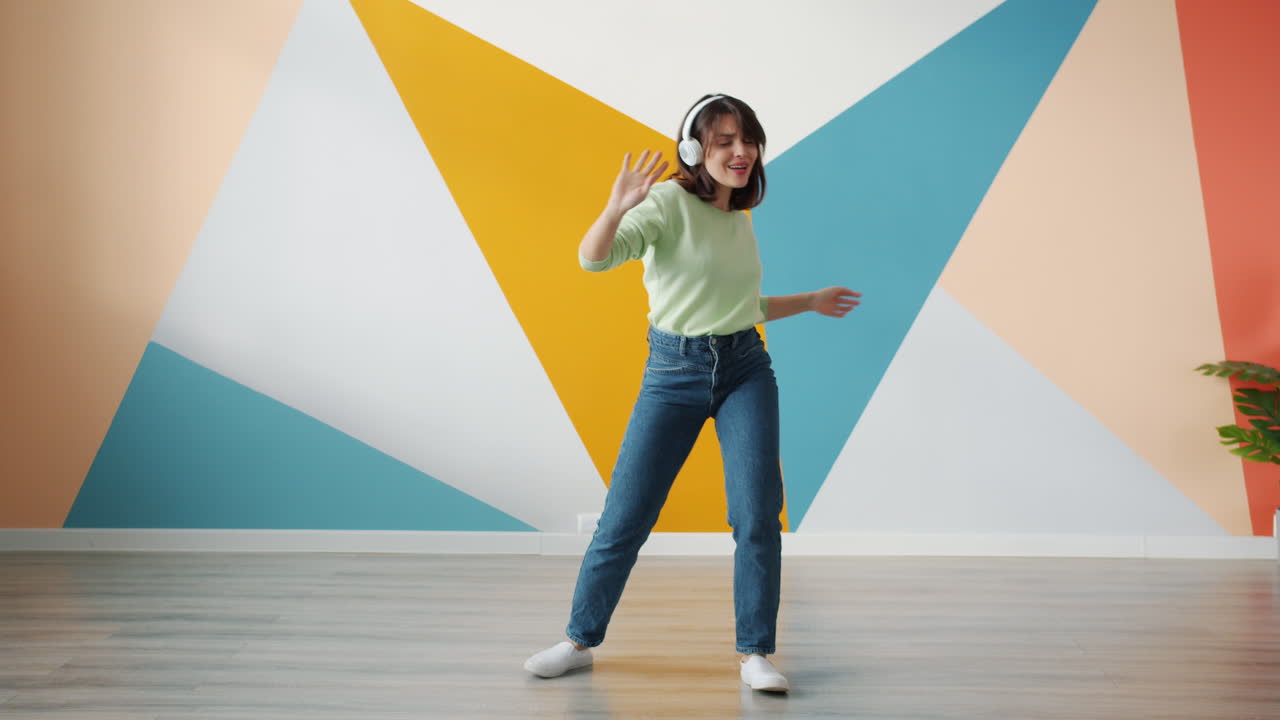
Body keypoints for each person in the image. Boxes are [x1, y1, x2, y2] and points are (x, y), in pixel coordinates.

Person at [523, 94, 860, 692]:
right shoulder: (666, 203)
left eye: (747, 140)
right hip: (673, 372)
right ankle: (578, 639)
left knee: (757, 514)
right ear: (694, 149)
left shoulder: (738, 219)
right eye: (724, 141)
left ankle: (755, 653)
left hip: (745, 368)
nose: (739, 152)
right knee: (626, 516)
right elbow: (594, 260)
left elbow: (742, 308)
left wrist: (808, 301)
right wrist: (613, 209)